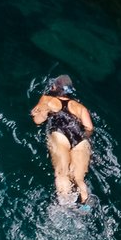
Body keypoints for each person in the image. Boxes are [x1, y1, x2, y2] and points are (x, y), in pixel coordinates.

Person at [31, 75, 94, 204]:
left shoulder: (47, 99)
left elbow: (38, 120)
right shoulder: (81, 107)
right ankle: (85, 207)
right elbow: (89, 128)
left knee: (62, 172)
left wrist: (36, 113)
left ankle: (64, 207)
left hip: (60, 136)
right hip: (81, 140)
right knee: (79, 179)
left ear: (54, 88)